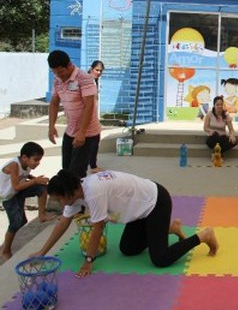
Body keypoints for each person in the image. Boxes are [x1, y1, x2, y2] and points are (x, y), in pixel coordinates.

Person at [32, 169, 218, 278]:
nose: (59, 203)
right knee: (128, 249)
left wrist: (89, 260)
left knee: (160, 259)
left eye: (58, 199)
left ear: (69, 193)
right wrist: (42, 253)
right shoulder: (76, 194)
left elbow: (98, 227)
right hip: (138, 212)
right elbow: (62, 224)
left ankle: (204, 235)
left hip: (155, 201)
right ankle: (170, 228)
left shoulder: (93, 192)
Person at [48, 50, 102, 179]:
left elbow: (90, 106)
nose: (58, 75)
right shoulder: (57, 81)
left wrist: (82, 132)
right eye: (54, 72)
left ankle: (79, 198)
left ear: (69, 65)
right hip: (70, 131)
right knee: (66, 170)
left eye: (60, 72)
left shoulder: (84, 78)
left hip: (87, 133)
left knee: (77, 174)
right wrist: (51, 126)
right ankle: (68, 197)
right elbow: (54, 103)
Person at [1, 142, 52, 261]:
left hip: (17, 192)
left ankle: (42, 215)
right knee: (15, 223)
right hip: (8, 196)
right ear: (24, 157)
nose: (38, 163)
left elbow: (24, 174)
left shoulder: (27, 164)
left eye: (39, 160)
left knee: (42, 188)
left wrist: (33, 179)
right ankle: (5, 250)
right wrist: (35, 181)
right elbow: (16, 187)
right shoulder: (14, 165)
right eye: (36, 160)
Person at [87, 60, 105, 173]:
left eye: (100, 71)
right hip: (87, 115)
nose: (98, 72)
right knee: (94, 139)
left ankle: (91, 163)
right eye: (96, 70)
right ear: (91, 68)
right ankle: (92, 165)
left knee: (93, 140)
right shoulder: (88, 81)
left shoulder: (94, 80)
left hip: (92, 115)